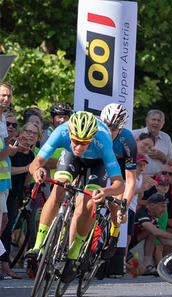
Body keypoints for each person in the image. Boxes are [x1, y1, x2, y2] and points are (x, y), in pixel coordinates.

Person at [25, 111, 124, 283]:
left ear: (92, 138)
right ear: (70, 134)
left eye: (84, 143)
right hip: (70, 159)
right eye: (75, 141)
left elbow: (119, 184)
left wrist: (104, 192)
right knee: (58, 188)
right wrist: (38, 171)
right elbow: (36, 162)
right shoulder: (61, 133)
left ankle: (74, 254)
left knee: (88, 204)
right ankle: (37, 246)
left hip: (97, 163)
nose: (78, 147)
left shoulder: (103, 143)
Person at [0, 122, 42, 279]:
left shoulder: (30, 155)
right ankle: (4, 265)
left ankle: (5, 265)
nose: (30, 135)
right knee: (5, 228)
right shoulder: (13, 148)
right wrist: (28, 167)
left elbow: (25, 181)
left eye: (34, 134)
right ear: (21, 131)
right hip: (5, 190)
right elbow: (8, 171)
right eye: (28, 131)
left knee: (7, 228)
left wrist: (34, 168)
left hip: (14, 195)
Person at [98, 103, 138, 259]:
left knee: (117, 204)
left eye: (113, 129)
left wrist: (124, 206)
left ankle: (113, 234)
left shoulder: (127, 139)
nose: (108, 131)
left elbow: (131, 180)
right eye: (106, 126)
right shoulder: (95, 131)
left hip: (119, 165)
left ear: (120, 129)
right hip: (99, 162)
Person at [128, 193, 172, 276]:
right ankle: (120, 264)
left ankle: (147, 264)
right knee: (140, 271)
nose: (164, 210)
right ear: (152, 206)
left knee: (141, 270)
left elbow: (164, 241)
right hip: (120, 248)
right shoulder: (141, 212)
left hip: (129, 245)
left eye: (165, 207)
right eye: (162, 207)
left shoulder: (152, 219)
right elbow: (155, 231)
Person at [0, 82, 18, 278]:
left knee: (4, 221)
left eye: (9, 96)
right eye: (3, 95)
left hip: (4, 181)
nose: (6, 99)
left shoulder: (3, 118)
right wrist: (10, 151)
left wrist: (8, 144)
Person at [132, 109, 172, 176]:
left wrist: (163, 157)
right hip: (138, 178)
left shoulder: (166, 137)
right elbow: (124, 156)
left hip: (160, 180)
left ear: (163, 123)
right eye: (153, 120)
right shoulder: (134, 134)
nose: (156, 123)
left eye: (159, 120)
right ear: (146, 121)